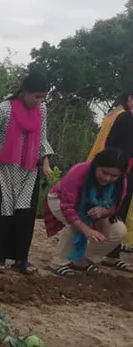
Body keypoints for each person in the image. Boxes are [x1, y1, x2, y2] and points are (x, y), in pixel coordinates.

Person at [0, 72, 54, 275]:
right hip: (4, 169)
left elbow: (42, 137)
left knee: (25, 215)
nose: (39, 101)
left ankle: (20, 259)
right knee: (0, 213)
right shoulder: (4, 109)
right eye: (36, 96)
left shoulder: (42, 110)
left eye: (42, 97)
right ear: (24, 92)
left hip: (29, 171)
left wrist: (46, 163)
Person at [44, 149, 130, 275]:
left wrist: (104, 211)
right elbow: (68, 208)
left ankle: (81, 260)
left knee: (118, 230)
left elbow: (116, 207)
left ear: (121, 174)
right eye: (104, 172)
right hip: (61, 200)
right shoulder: (79, 172)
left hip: (94, 209)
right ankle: (58, 263)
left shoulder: (121, 182)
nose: (108, 178)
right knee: (76, 224)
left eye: (114, 176)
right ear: (96, 165)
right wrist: (87, 230)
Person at [86, 89, 133, 261]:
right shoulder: (124, 117)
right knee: (110, 205)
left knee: (122, 206)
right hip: (117, 170)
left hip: (128, 172)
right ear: (130, 99)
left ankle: (112, 254)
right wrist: (111, 169)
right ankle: (98, 251)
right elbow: (110, 144)